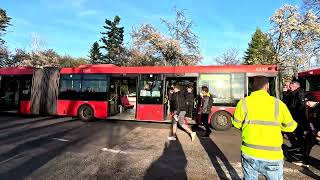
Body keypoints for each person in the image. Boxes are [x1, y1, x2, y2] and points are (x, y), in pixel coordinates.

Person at [233, 76, 297, 179]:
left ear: (252, 86)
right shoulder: (278, 104)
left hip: (249, 153)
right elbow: (290, 127)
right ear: (267, 86)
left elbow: (236, 124)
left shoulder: (243, 102)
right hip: (273, 156)